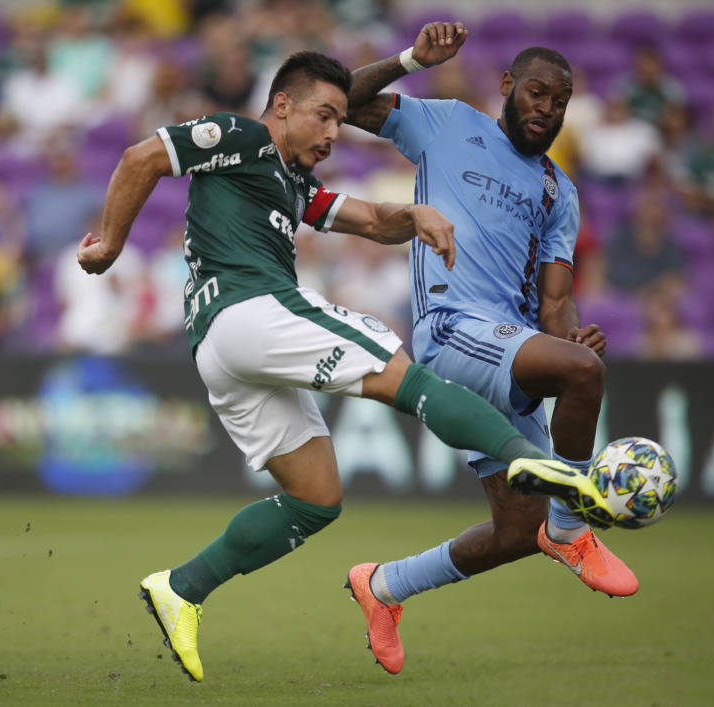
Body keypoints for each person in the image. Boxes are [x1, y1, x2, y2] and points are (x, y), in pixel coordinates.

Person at [76, 50, 613, 683]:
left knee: (316, 498)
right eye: (325, 116)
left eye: (339, 119)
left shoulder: (293, 183)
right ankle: (533, 460)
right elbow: (141, 158)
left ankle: (182, 588)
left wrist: (413, 215)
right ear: (282, 106)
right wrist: (110, 244)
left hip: (219, 350)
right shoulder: (241, 135)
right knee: (402, 371)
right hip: (251, 309)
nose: (335, 132)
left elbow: (372, 221)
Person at [342, 22, 638, 673]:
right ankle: (573, 528)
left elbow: (556, 304)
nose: (547, 108)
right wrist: (409, 60)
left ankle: (384, 585)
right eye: (536, 93)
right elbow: (339, 98)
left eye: (560, 102)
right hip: (451, 330)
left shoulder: (559, 190)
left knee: (518, 531)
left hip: (507, 345)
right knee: (583, 378)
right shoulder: (447, 123)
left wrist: (572, 338)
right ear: (507, 86)